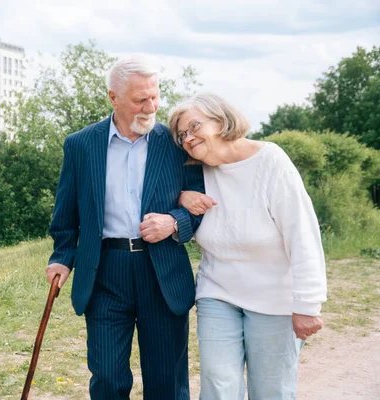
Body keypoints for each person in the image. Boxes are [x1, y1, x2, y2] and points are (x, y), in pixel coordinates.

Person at [46, 56, 204, 400]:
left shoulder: (178, 144)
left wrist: (174, 222)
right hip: (105, 272)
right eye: (139, 100)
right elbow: (67, 213)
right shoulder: (81, 145)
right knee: (107, 378)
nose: (150, 107)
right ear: (113, 97)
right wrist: (62, 257)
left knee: (166, 382)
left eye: (155, 96)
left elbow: (202, 206)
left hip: (160, 270)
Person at [169, 93, 327, 400]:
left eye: (193, 127)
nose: (188, 139)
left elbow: (302, 235)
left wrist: (307, 305)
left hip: (274, 298)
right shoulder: (195, 170)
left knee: (270, 390)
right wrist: (181, 197)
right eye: (182, 135)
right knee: (218, 384)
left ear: (222, 119)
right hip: (218, 291)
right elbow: (157, 193)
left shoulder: (270, 161)